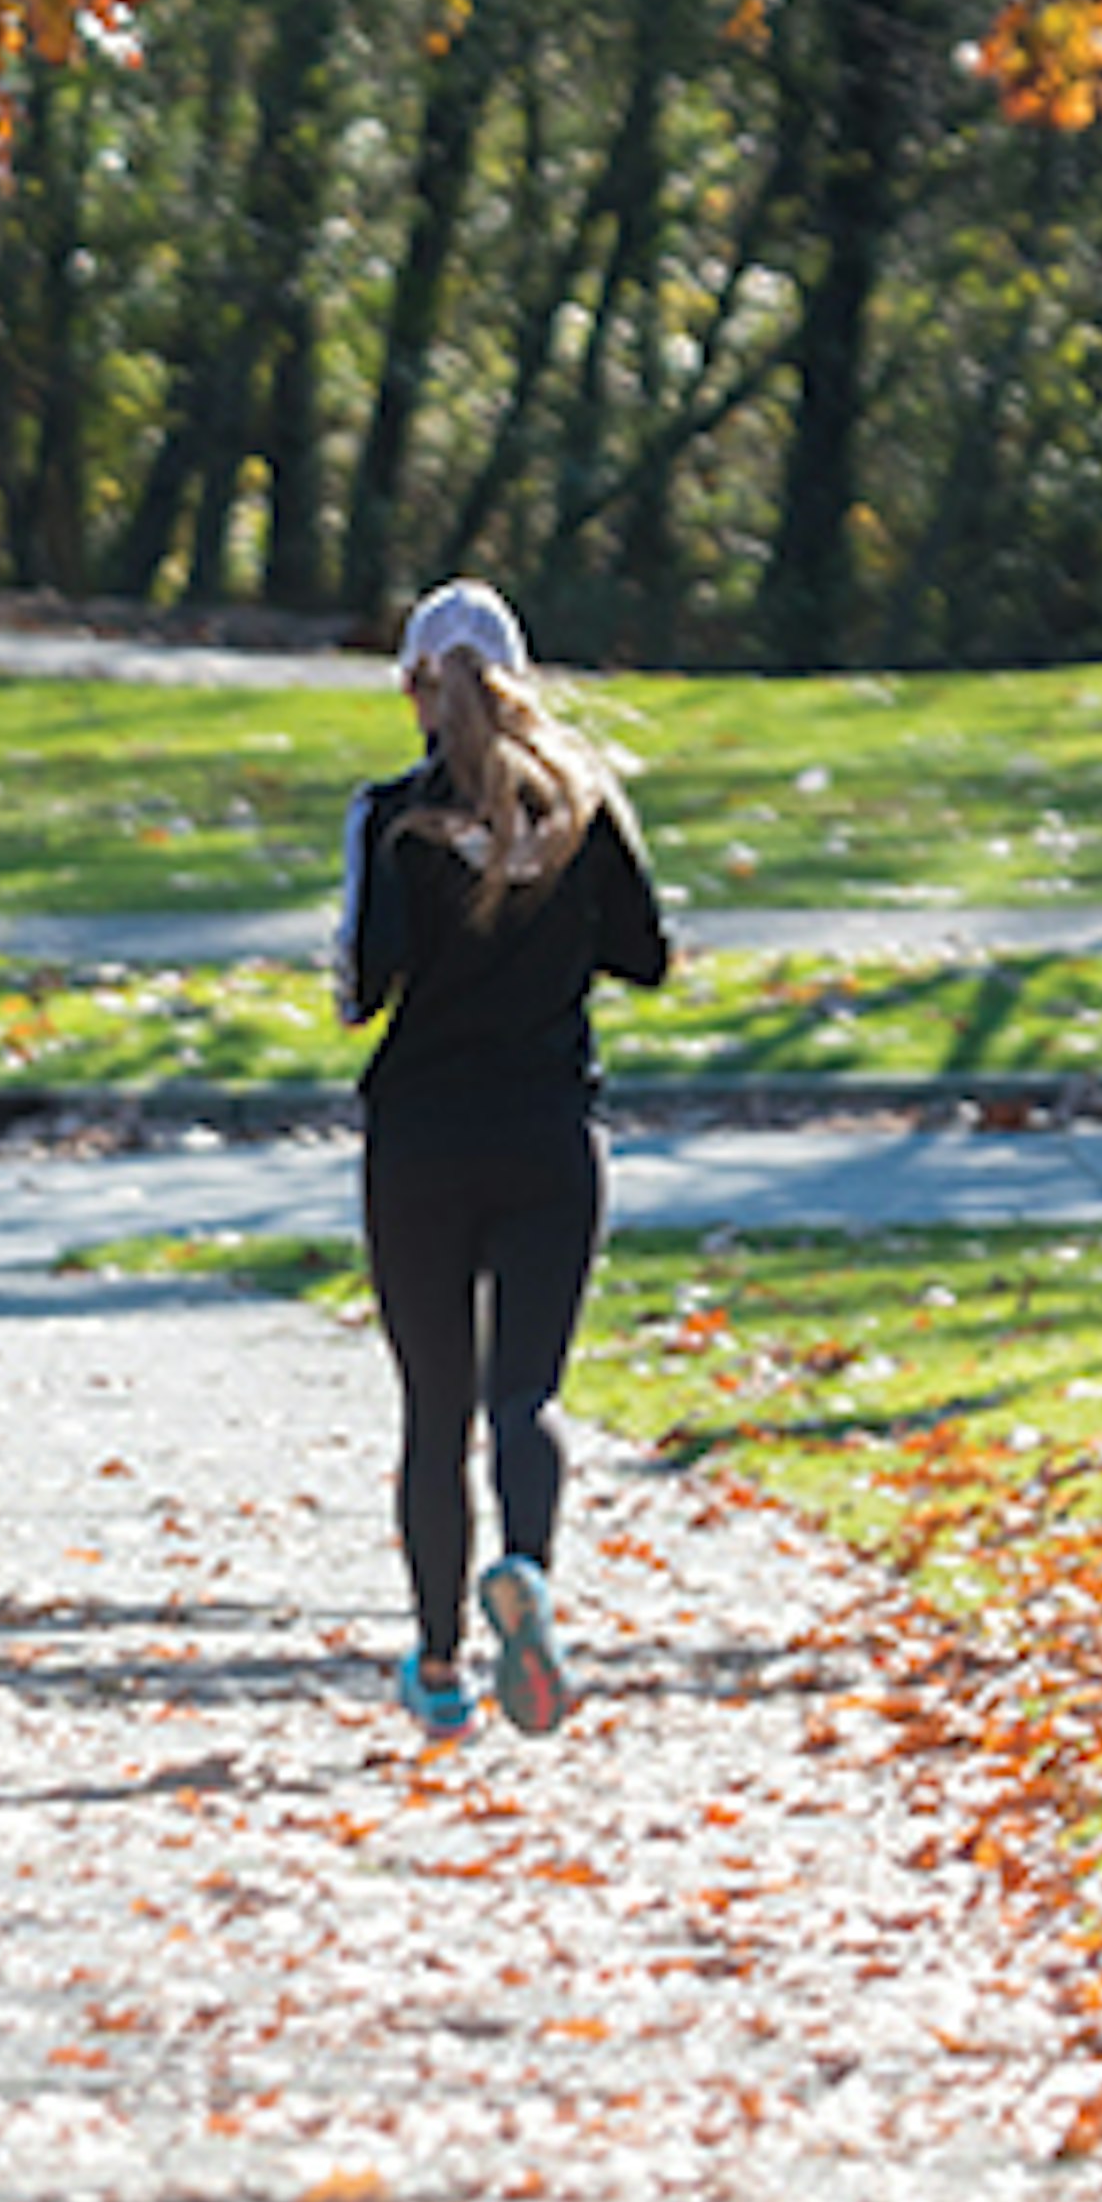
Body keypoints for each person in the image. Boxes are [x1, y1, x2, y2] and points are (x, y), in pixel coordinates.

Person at [338, 579, 669, 1739]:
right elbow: (648, 957)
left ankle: (437, 1668)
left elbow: (362, 986)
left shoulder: (389, 816)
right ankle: (524, 1568)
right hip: (548, 1137)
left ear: (415, 694)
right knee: (525, 1392)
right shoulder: (583, 804)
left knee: (434, 1410)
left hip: (420, 1143)